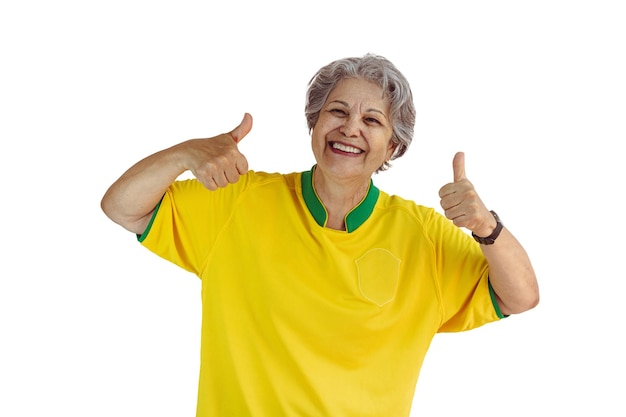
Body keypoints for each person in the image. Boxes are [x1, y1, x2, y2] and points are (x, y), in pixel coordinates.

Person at [101, 53, 539, 417]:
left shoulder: (422, 237)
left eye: (373, 120)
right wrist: (184, 154)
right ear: (314, 123)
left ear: (393, 147)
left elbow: (520, 296)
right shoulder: (237, 203)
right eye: (337, 111)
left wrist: (487, 228)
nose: (350, 129)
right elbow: (121, 205)